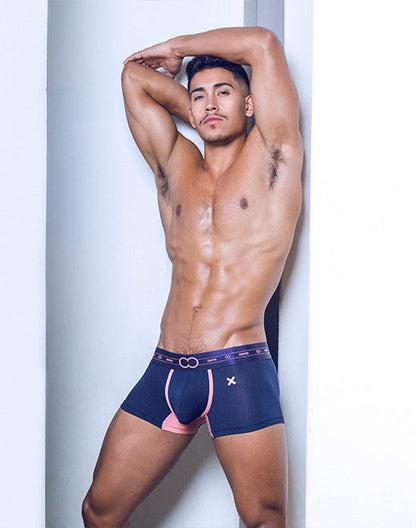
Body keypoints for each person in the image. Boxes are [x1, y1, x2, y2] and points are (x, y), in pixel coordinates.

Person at [82, 26, 302, 528]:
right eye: (198, 96)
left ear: (252, 104)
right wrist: (203, 109)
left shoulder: (274, 156)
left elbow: (263, 45)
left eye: (224, 93)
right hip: (166, 370)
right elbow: (134, 78)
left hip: (238, 368)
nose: (209, 103)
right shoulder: (176, 164)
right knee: (99, 511)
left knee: (265, 519)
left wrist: (176, 50)